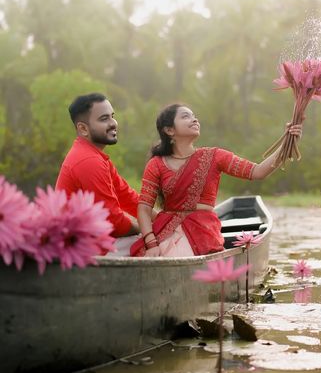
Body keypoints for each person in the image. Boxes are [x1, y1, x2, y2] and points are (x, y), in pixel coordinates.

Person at [130, 103, 302, 258]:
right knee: (148, 255)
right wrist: (151, 243)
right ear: (169, 130)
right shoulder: (156, 164)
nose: (194, 119)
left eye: (194, 115)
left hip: (203, 232)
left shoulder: (215, 156)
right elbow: (144, 208)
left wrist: (287, 142)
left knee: (176, 255)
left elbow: (258, 172)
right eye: (185, 116)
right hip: (166, 231)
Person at [56, 93, 140, 238]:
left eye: (112, 116)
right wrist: (147, 229)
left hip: (95, 241)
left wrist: (162, 220)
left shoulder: (95, 156)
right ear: (83, 129)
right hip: (78, 248)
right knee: (154, 243)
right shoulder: (88, 161)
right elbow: (113, 223)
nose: (113, 123)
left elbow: (127, 197)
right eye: (104, 119)